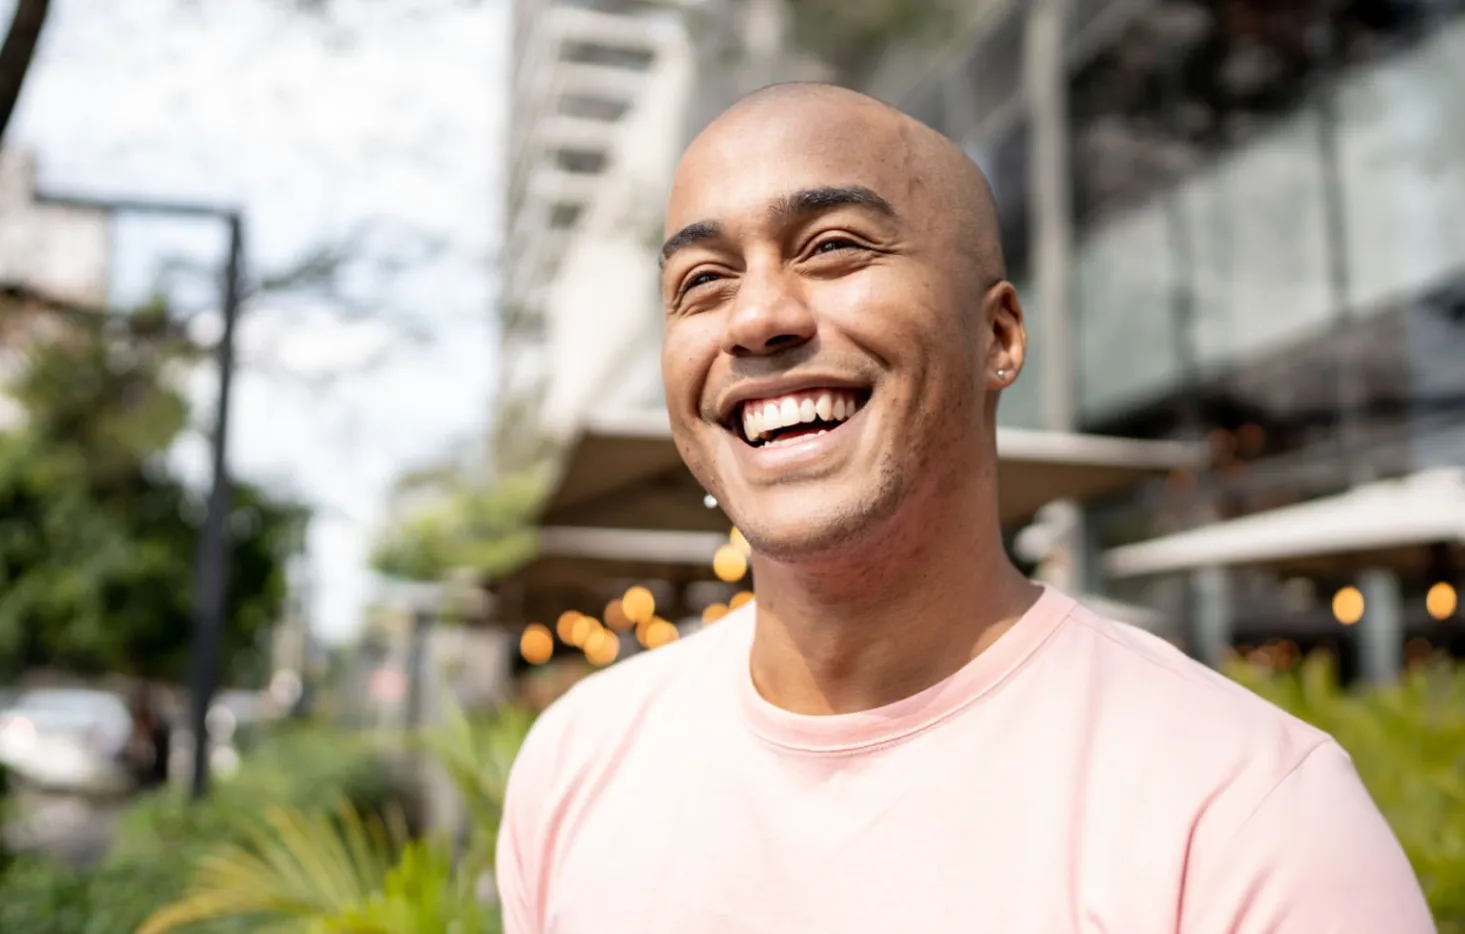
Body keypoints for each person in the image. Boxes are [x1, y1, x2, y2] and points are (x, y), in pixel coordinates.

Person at [496, 83, 1433, 933]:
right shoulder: (576, 762)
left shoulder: (1245, 811)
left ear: (997, 334)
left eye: (832, 248)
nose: (755, 318)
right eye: (702, 281)